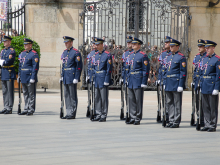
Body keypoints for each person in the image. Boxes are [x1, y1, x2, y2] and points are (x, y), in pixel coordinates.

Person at [126, 37, 150, 125]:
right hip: (131, 79)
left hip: (138, 79)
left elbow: (145, 69)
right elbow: (128, 68)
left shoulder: (143, 55)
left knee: (138, 99)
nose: (133, 45)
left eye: (135, 44)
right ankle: (132, 116)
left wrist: (144, 82)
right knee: (131, 99)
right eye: (132, 44)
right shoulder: (130, 55)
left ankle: (138, 117)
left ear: (139, 45)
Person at [164, 38, 187, 128]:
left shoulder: (181, 57)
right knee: (169, 102)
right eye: (170, 46)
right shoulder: (168, 56)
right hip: (169, 82)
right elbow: (166, 70)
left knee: (177, 102)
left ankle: (176, 121)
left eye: (173, 46)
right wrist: (165, 81)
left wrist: (181, 85)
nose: (171, 47)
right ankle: (171, 119)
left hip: (176, 82)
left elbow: (183, 72)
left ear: (177, 47)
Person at [60, 36, 82, 119]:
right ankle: (68, 112)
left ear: (71, 42)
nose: (65, 44)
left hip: (72, 76)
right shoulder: (64, 52)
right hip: (66, 76)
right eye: (65, 42)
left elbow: (79, 66)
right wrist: (62, 76)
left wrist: (76, 77)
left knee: (72, 96)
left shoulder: (76, 52)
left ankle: (72, 113)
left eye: (67, 42)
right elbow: (63, 65)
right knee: (66, 95)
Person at [200, 40, 220, 132]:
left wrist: (216, 88)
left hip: (212, 86)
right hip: (204, 84)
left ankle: (212, 125)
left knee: (212, 107)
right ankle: (207, 123)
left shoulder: (217, 59)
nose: (206, 49)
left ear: (213, 48)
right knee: (205, 107)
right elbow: (201, 72)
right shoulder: (204, 59)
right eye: (206, 48)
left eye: (208, 48)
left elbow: (218, 75)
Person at [92, 37, 112, 122]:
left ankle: (103, 115)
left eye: (97, 44)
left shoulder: (107, 55)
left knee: (103, 98)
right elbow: (93, 67)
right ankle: (98, 114)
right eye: (95, 44)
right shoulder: (95, 55)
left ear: (101, 45)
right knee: (97, 97)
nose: (96, 46)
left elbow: (109, 69)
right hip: (96, 78)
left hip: (103, 78)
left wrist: (107, 80)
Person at [18, 38, 39, 116]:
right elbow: (20, 65)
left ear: (30, 45)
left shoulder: (34, 54)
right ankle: (26, 108)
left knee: (31, 94)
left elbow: (35, 67)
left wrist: (33, 77)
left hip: (30, 76)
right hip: (23, 76)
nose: (25, 45)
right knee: (25, 93)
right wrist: (19, 75)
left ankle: (31, 109)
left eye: (26, 44)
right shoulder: (22, 53)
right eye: (24, 44)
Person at [191, 39, 207, 127]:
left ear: (205, 47)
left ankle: (204, 119)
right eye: (198, 46)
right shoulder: (196, 57)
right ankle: (198, 117)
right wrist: (193, 81)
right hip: (197, 81)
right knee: (197, 101)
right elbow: (195, 70)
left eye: (201, 46)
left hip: (203, 81)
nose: (199, 48)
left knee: (203, 101)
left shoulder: (207, 57)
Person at [157, 36, 172, 122]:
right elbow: (160, 68)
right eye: (165, 43)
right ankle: (165, 114)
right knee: (163, 98)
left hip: (169, 79)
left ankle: (169, 115)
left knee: (169, 99)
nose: (165, 44)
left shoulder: (173, 54)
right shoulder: (163, 54)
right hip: (163, 79)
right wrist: (159, 78)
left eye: (167, 43)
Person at [0, 36, 16, 114]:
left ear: (9, 42)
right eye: (3, 41)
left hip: (9, 72)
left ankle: (9, 107)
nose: (4, 43)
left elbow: (9, 61)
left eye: (5, 41)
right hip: (3, 72)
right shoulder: (2, 51)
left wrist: (3, 62)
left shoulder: (11, 51)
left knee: (10, 91)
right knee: (4, 91)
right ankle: (5, 106)